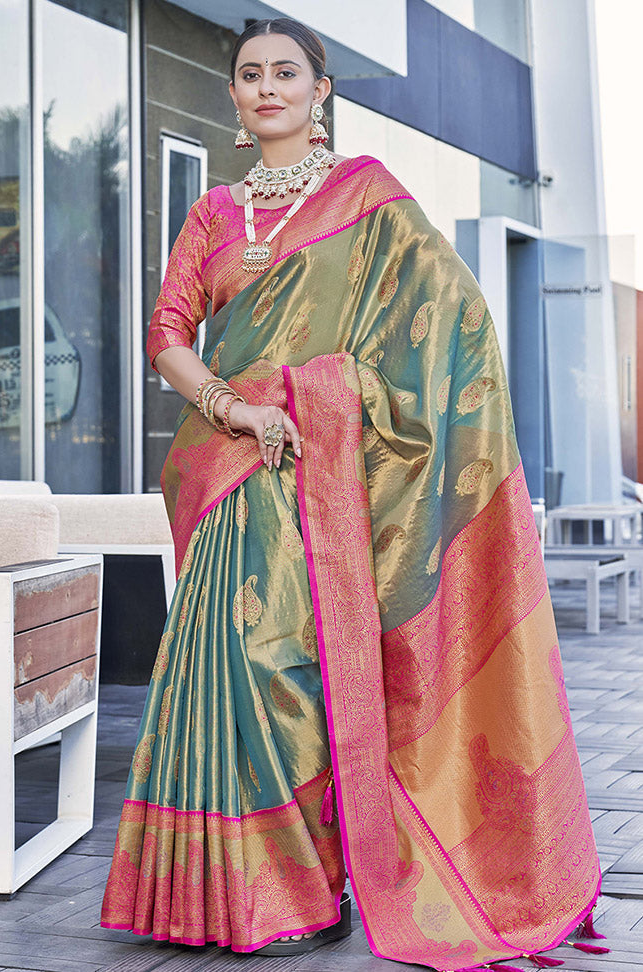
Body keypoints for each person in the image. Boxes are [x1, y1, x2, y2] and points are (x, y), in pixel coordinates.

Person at [101, 17, 604, 970]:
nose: (265, 87)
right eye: (248, 75)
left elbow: (450, 320)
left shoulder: (367, 197)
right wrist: (232, 405)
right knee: (224, 667)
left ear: (321, 88)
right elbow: (166, 331)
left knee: (291, 667)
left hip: (320, 477)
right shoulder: (213, 213)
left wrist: (329, 393)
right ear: (236, 99)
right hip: (230, 471)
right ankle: (222, 892)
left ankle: (308, 882)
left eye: (285, 71)